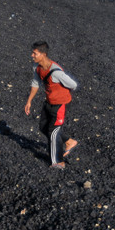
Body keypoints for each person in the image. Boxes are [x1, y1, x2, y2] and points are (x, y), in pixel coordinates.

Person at [24, 41, 79, 169]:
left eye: (35, 53)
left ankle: (58, 162)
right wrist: (29, 101)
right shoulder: (36, 67)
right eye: (32, 52)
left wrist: (61, 93)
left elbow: (73, 85)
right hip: (49, 102)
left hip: (60, 104)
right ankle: (70, 142)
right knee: (43, 126)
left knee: (53, 131)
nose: (32, 55)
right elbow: (35, 83)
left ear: (43, 54)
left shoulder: (56, 72)